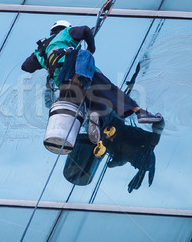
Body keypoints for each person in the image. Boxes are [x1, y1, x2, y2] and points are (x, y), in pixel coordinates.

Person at [21, 20, 162, 143]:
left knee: (95, 102)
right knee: (108, 90)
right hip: (79, 72)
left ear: (51, 30)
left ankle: (96, 120)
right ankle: (139, 112)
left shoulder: (40, 50)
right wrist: (91, 48)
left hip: (63, 84)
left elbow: (26, 66)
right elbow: (85, 30)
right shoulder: (66, 33)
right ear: (64, 28)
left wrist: (43, 59)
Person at [64, 111, 164, 192]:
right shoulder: (137, 137)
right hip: (106, 116)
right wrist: (158, 129)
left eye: (129, 160)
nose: (127, 157)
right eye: (130, 155)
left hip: (91, 129)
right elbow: (154, 139)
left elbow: (113, 162)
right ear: (136, 148)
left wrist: (115, 162)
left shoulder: (120, 157)